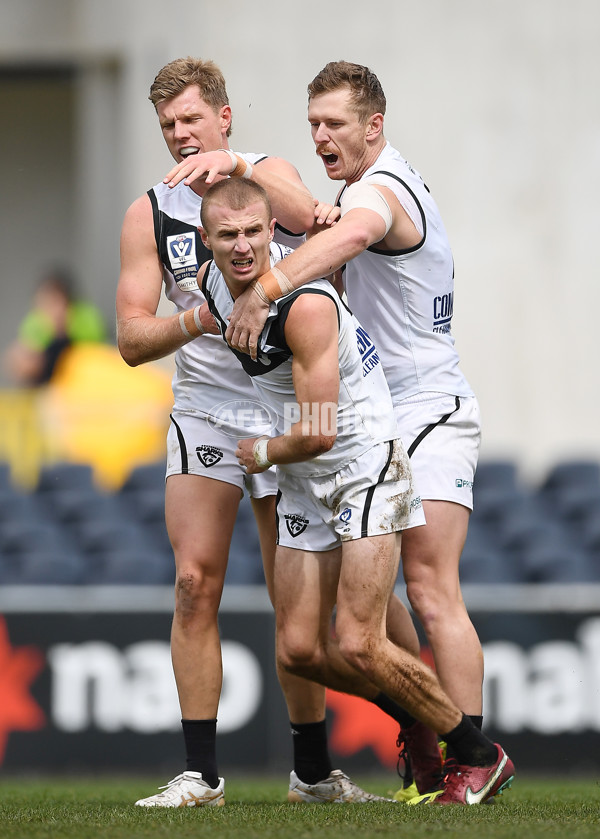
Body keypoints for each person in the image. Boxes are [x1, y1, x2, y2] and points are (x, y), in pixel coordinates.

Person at [117, 57, 423, 809]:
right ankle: (201, 774)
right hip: (208, 411)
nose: (181, 135)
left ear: (224, 117)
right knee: (194, 584)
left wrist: (243, 163)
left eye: (193, 119)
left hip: (289, 413)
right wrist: (199, 319)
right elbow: (129, 337)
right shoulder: (148, 212)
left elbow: (316, 214)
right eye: (168, 126)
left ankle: (319, 772)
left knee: (303, 616)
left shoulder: (269, 179)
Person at [223, 60, 493, 802]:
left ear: (374, 125)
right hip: (375, 413)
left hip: (428, 404)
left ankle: (472, 753)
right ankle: (426, 729)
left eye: (334, 124)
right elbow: (311, 218)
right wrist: (242, 161)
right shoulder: (349, 192)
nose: (320, 136)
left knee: (432, 584)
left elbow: (351, 235)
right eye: (312, 124)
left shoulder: (382, 187)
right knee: (358, 610)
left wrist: (268, 289)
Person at [3, 267, 107, 387]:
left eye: (53, 301)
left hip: (82, 380)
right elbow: (24, 356)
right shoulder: (35, 320)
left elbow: (94, 354)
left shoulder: (86, 317)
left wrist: (62, 329)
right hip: (48, 383)